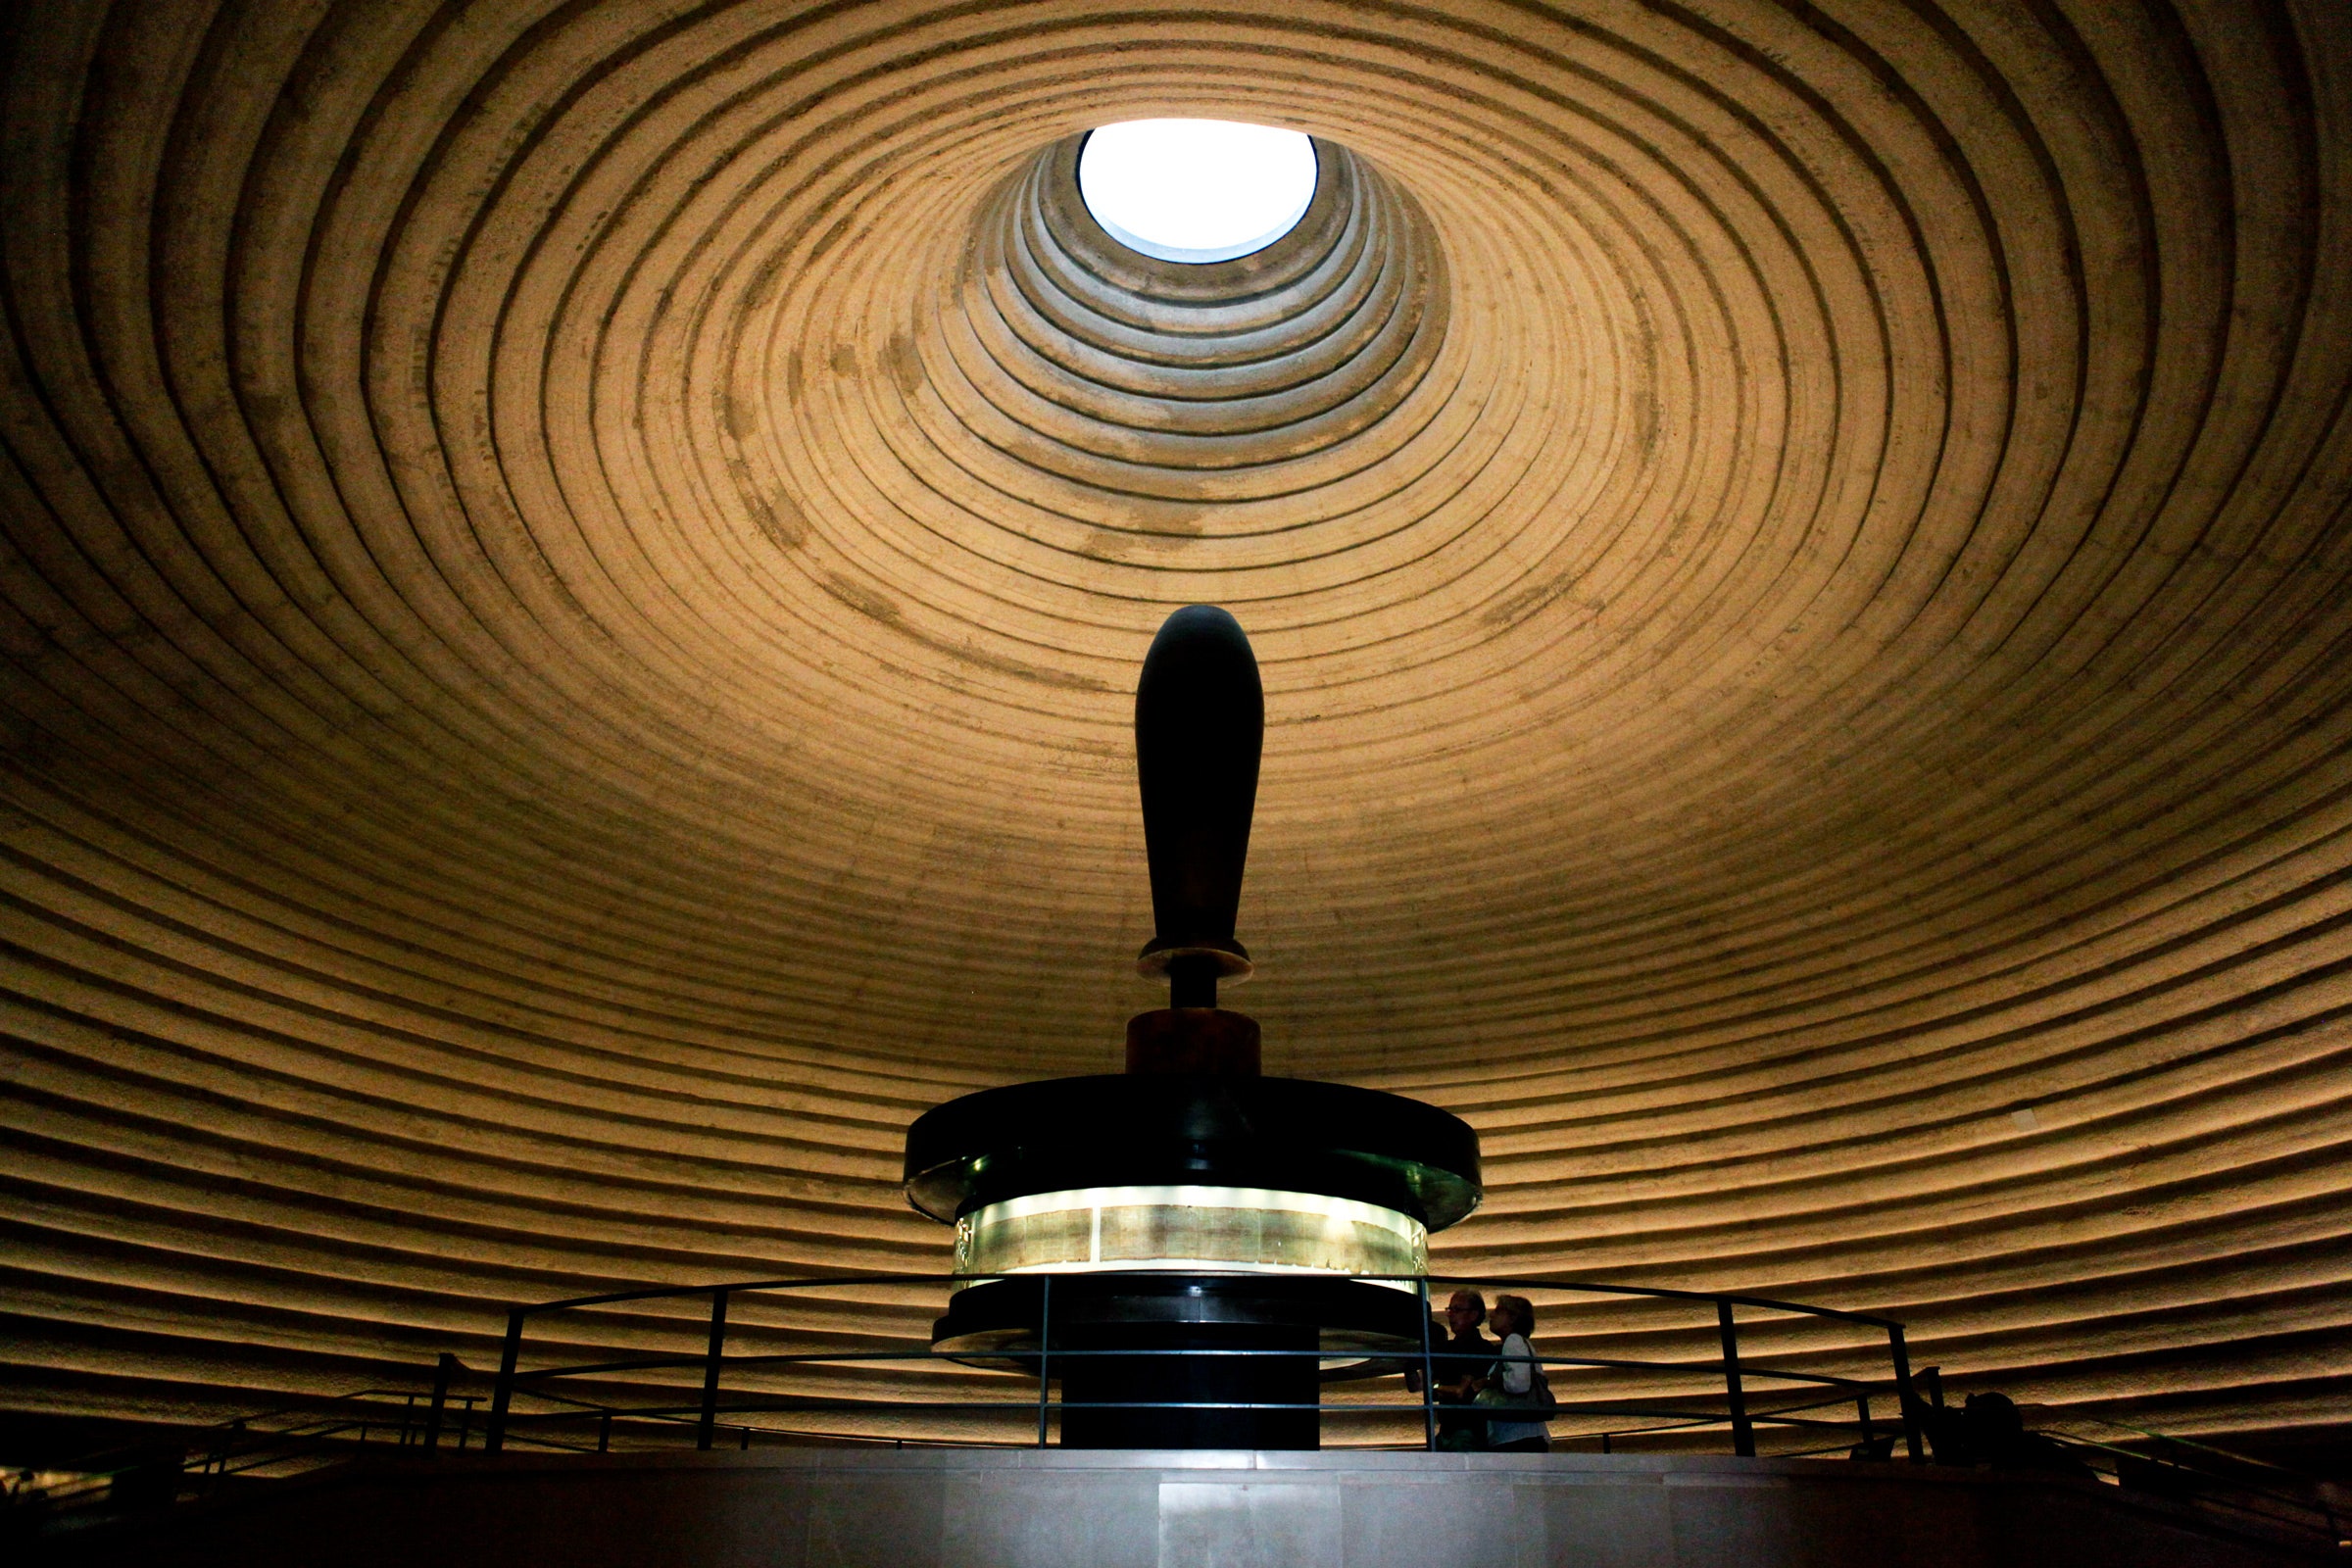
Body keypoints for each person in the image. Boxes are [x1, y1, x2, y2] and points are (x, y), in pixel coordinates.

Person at [1404, 1290, 1494, 1450]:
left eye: (1457, 1310)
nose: (1450, 1315)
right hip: (1447, 1430)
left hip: (1469, 1430)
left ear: (1474, 1315)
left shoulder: (1481, 1348)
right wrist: (1409, 1363)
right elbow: (1418, 1386)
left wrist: (1436, 1386)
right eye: (1449, 1309)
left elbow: (1460, 1390)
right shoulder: (1445, 1348)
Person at [1478, 1294, 1550, 1452]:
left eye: (1498, 1311)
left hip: (1516, 1437)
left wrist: (1488, 1381)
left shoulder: (1513, 1341)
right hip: (1525, 1435)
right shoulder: (1522, 1344)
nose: (1492, 1315)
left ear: (1512, 1318)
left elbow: (1519, 1383)